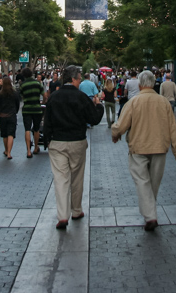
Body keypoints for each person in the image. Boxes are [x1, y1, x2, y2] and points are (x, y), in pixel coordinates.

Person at [111, 70, 176, 231]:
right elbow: (173, 128)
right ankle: (151, 213)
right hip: (159, 147)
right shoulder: (163, 102)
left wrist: (115, 133)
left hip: (138, 147)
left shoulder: (134, 102)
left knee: (142, 182)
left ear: (140, 84)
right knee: (153, 182)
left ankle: (150, 215)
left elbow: (121, 124)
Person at [42, 65, 103, 229]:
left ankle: (62, 216)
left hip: (57, 142)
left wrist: (47, 140)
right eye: (79, 78)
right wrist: (99, 106)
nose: (80, 81)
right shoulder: (81, 97)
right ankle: (76, 210)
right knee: (77, 177)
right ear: (74, 79)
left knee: (61, 179)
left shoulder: (54, 97)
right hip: (77, 141)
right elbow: (94, 119)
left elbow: (47, 121)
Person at [19, 68, 45, 158]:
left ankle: (28, 151)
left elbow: (21, 96)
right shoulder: (37, 83)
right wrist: (43, 102)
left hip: (26, 109)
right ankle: (36, 147)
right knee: (36, 129)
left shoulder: (23, 85)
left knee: (27, 129)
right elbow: (44, 95)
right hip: (37, 108)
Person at [0, 76, 21, 159]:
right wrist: (15, 111)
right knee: (11, 134)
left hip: (3, 116)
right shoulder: (15, 93)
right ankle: (9, 153)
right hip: (12, 116)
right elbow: (18, 104)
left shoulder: (0, 93)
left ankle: (6, 150)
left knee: (5, 135)